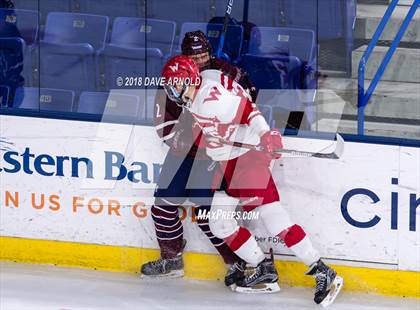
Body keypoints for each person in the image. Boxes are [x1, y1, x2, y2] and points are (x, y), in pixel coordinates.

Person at [160, 55, 343, 306]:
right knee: (220, 224)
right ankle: (263, 269)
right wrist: (213, 139)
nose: (171, 89)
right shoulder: (199, 89)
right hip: (226, 163)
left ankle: (322, 270)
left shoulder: (211, 100)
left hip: (247, 158)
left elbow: (248, 110)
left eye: (176, 83)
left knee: (272, 216)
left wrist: (267, 135)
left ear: (190, 79)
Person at [141, 31, 256, 288]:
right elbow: (164, 127)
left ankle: (236, 263)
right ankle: (171, 261)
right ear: (185, 56)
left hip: (216, 155)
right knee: (162, 208)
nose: (201, 61)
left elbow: (249, 103)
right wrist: (191, 131)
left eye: (204, 55)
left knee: (207, 214)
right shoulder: (174, 77)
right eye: (195, 57)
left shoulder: (227, 73)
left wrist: (222, 126)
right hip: (185, 153)